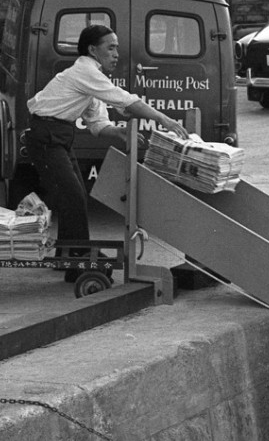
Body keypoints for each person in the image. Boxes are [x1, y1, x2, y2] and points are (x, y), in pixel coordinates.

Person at [25, 24, 188, 279]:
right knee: (73, 197)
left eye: (117, 48)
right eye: (110, 48)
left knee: (75, 195)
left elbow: (98, 125)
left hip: (58, 136)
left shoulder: (93, 79)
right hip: (45, 136)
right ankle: (77, 260)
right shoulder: (85, 71)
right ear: (92, 50)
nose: (116, 54)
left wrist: (120, 133)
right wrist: (163, 119)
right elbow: (124, 99)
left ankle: (69, 256)